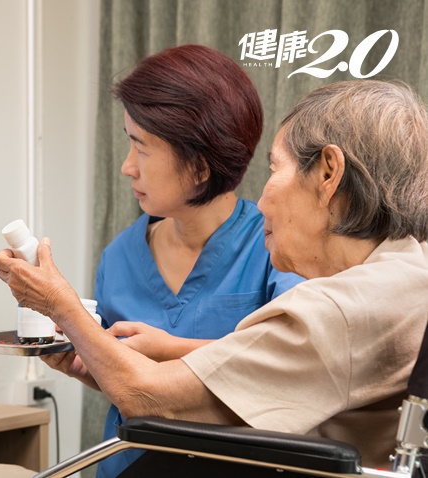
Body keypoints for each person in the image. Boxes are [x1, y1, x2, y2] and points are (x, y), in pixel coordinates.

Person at [0, 78, 428, 473]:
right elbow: (275, 377)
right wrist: (141, 352)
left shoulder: (337, 309)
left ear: (328, 173)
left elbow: (149, 397)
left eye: (275, 169)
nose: (262, 201)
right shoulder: (407, 274)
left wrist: (59, 304)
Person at [42, 44, 307, 476]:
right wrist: (82, 364)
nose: (127, 167)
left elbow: (292, 368)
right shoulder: (121, 256)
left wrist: (170, 349)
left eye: (141, 148)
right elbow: (129, 385)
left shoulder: (275, 250)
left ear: (200, 166)